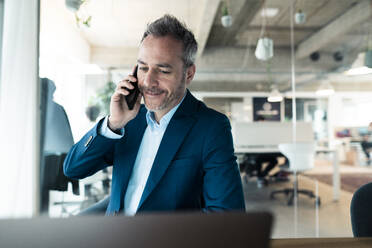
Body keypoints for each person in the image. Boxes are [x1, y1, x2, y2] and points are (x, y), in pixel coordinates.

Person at [63, 15, 245, 216]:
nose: (148, 81)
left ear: (188, 74)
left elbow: (226, 215)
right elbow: (73, 169)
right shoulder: (128, 120)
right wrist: (114, 124)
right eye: (143, 68)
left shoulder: (211, 127)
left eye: (163, 70)